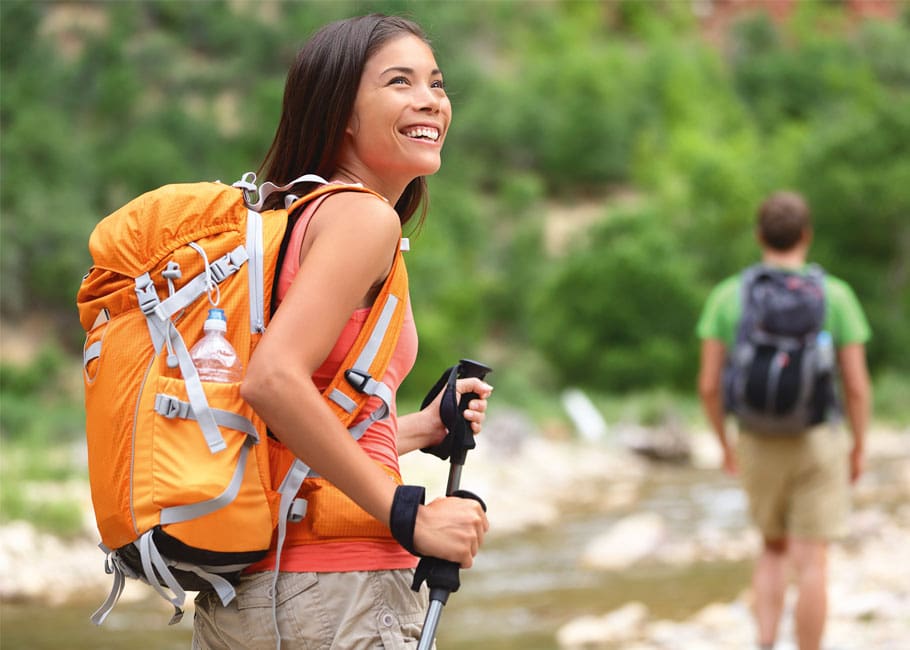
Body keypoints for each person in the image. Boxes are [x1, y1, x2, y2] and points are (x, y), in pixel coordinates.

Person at [192, 14, 493, 649]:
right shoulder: (362, 218)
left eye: (436, 84)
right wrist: (405, 513)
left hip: (258, 593)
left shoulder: (292, 218)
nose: (430, 101)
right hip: (336, 590)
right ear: (343, 114)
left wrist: (419, 429)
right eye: (399, 82)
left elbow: (288, 426)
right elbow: (271, 381)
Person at [696, 191, 871, 650]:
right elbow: (855, 385)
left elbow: (710, 385)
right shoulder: (836, 295)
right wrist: (859, 446)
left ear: (759, 236)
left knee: (772, 549)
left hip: (755, 438)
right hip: (818, 439)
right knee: (812, 562)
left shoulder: (729, 296)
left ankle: (767, 644)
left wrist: (724, 443)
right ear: (806, 235)